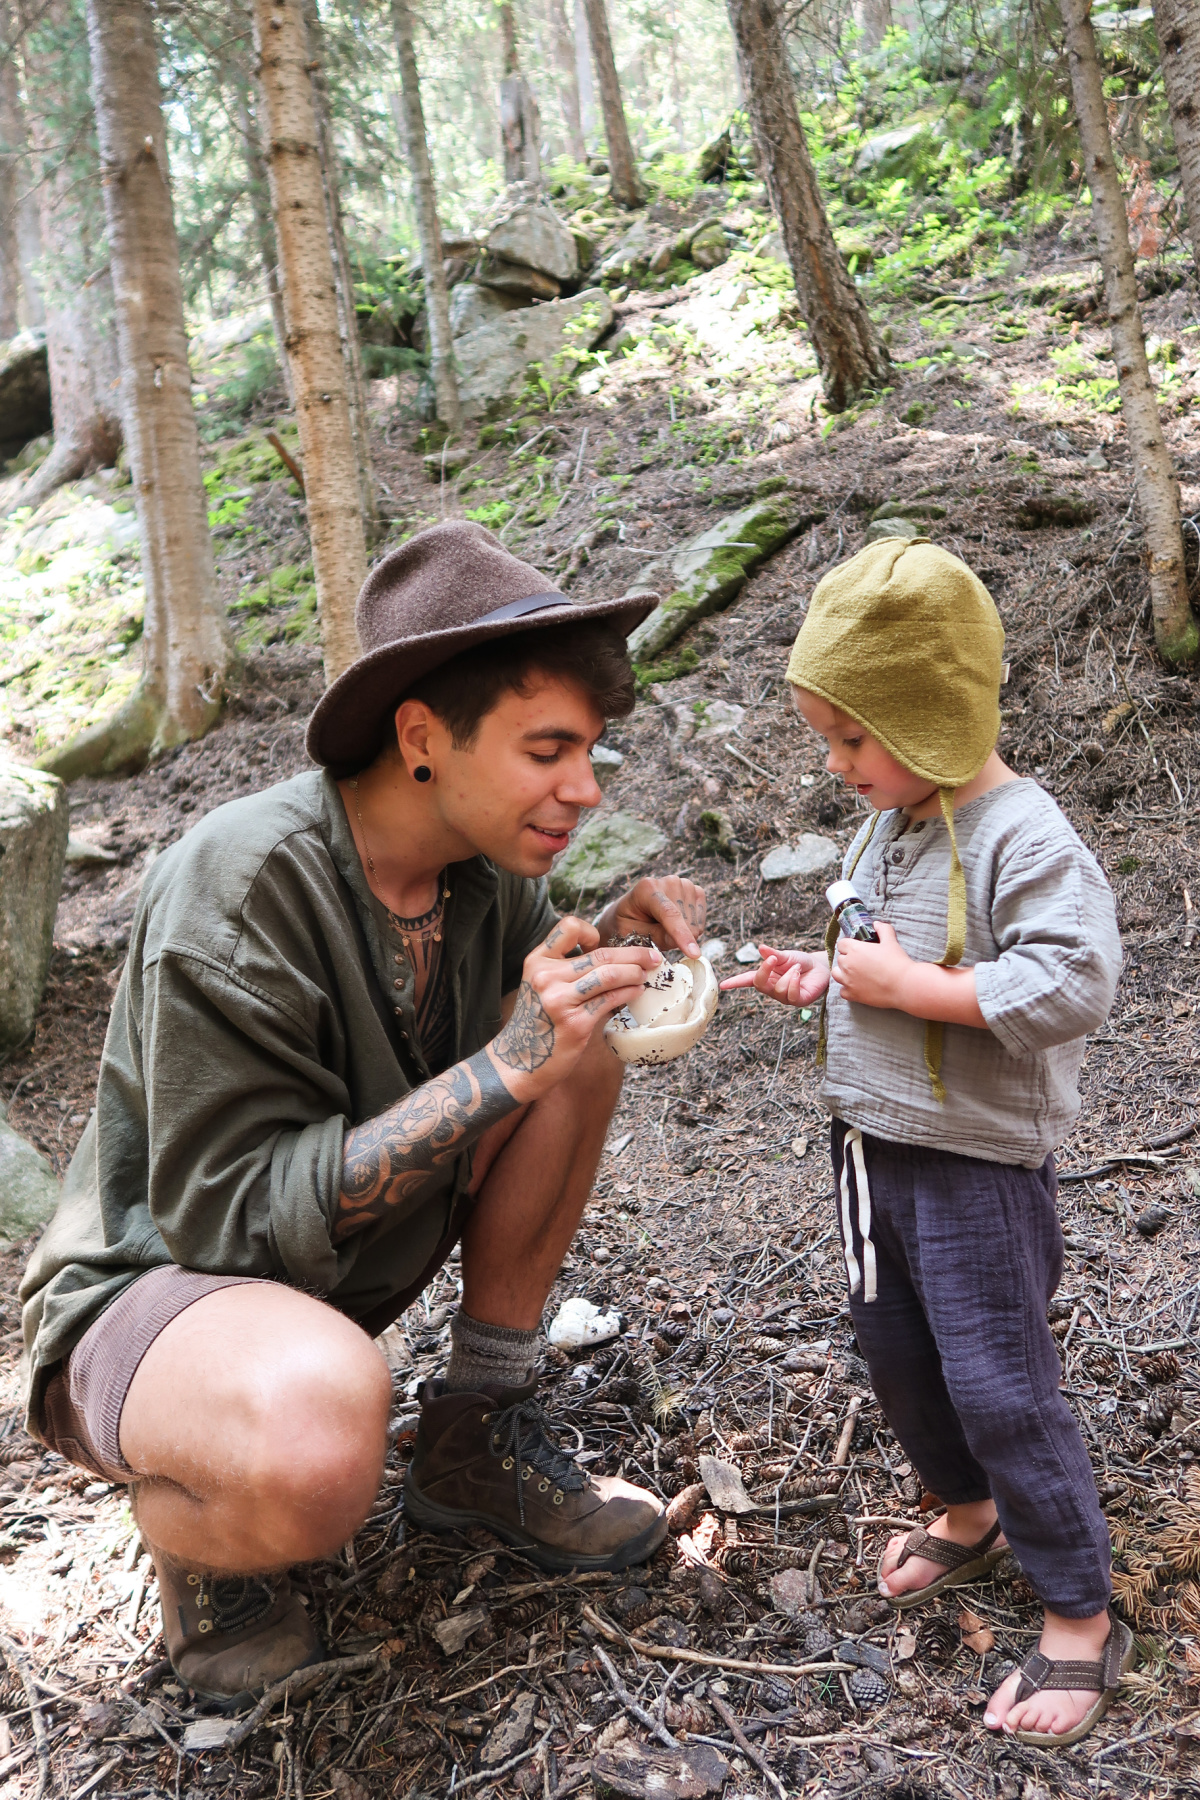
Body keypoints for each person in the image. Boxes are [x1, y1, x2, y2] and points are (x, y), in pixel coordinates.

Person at [20, 522, 707, 1708]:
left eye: (589, 752)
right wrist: (506, 1067)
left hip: (320, 1285)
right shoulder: (241, 887)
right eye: (549, 749)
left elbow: (496, 1047)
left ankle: (474, 1434)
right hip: (152, 1293)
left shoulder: (486, 874)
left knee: (582, 1055)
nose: (585, 789)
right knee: (324, 1442)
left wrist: (604, 949)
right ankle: (198, 1528)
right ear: (422, 736)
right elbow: (223, 1218)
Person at [722, 539, 1130, 1749]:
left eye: (852, 738)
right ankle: (967, 1511)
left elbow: (1074, 979)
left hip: (975, 1162)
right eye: (826, 738)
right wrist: (830, 982)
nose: (834, 764)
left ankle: (1077, 1613)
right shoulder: (893, 822)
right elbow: (882, 958)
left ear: (932, 717)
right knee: (895, 1352)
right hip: (872, 1150)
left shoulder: (1023, 835)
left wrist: (917, 992)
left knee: (1002, 1383)